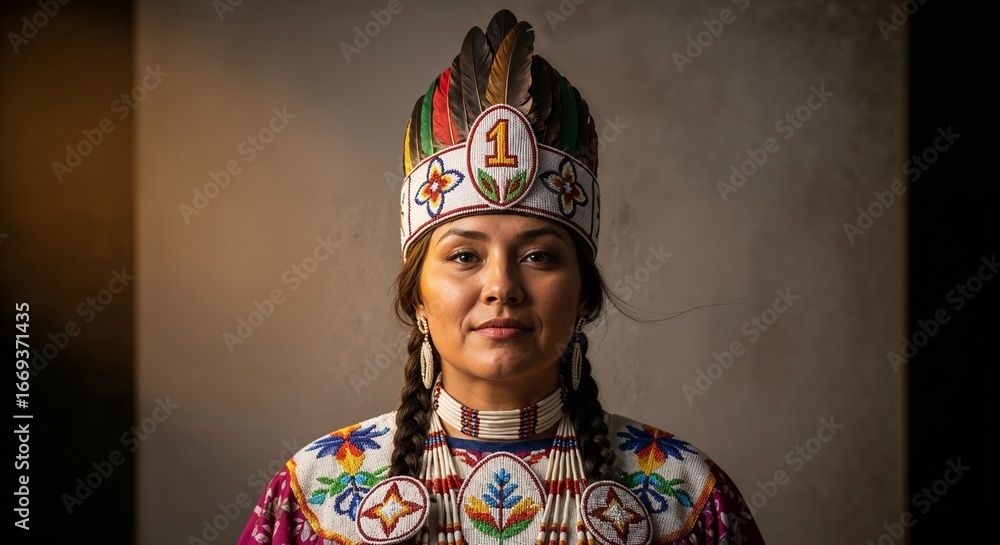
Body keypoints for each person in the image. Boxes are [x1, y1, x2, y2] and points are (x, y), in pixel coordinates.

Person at [237, 9, 765, 545]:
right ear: (418, 298)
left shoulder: (684, 498)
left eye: (538, 257)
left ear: (583, 296)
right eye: (464, 257)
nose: (501, 286)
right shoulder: (315, 496)